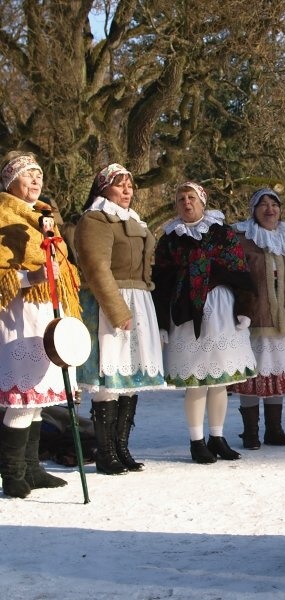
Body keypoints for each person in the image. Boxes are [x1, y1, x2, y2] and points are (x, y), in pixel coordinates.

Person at [152, 182, 256, 463]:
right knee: (196, 379)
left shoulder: (222, 233)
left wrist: (246, 309)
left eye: (191, 197)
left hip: (222, 310)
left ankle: (217, 436)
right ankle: (197, 441)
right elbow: (160, 283)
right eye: (180, 198)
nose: (186, 203)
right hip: (186, 311)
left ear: (202, 201)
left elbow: (240, 270)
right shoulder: (170, 239)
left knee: (220, 380)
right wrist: (162, 322)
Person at [73, 164, 167, 475]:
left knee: (130, 380)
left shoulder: (134, 221)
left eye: (129, 185)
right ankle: (105, 452)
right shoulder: (96, 218)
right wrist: (118, 311)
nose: (127, 190)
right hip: (110, 302)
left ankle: (122, 447)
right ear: (103, 189)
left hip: (138, 300)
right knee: (109, 379)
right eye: (119, 185)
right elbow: (96, 268)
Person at [0, 151, 82, 498]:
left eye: (39, 175)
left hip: (45, 317)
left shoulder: (44, 217)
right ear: (10, 182)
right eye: (28, 175)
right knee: (22, 397)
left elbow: (61, 263)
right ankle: (12, 473)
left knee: (37, 401)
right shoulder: (3, 215)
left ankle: (33, 469)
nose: (36, 181)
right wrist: (27, 276)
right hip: (17, 315)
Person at [228, 187, 285, 448]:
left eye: (274, 204)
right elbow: (233, 277)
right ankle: (251, 432)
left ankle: (274, 431)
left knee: (276, 375)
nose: (269, 209)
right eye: (262, 204)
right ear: (254, 211)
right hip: (253, 320)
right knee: (252, 376)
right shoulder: (242, 238)